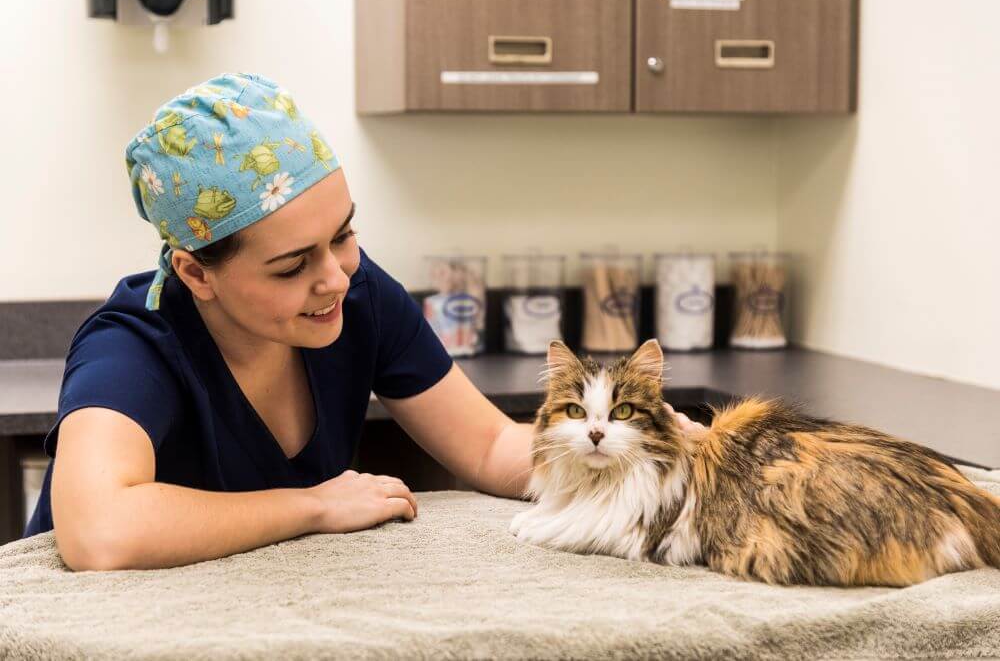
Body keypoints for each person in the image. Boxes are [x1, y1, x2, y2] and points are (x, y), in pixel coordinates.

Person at [24, 73, 703, 571]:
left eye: (342, 236)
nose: (335, 278)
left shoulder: (358, 295)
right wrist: (314, 505)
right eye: (292, 265)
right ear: (197, 273)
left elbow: (494, 447)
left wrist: (652, 451)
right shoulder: (132, 349)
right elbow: (101, 532)